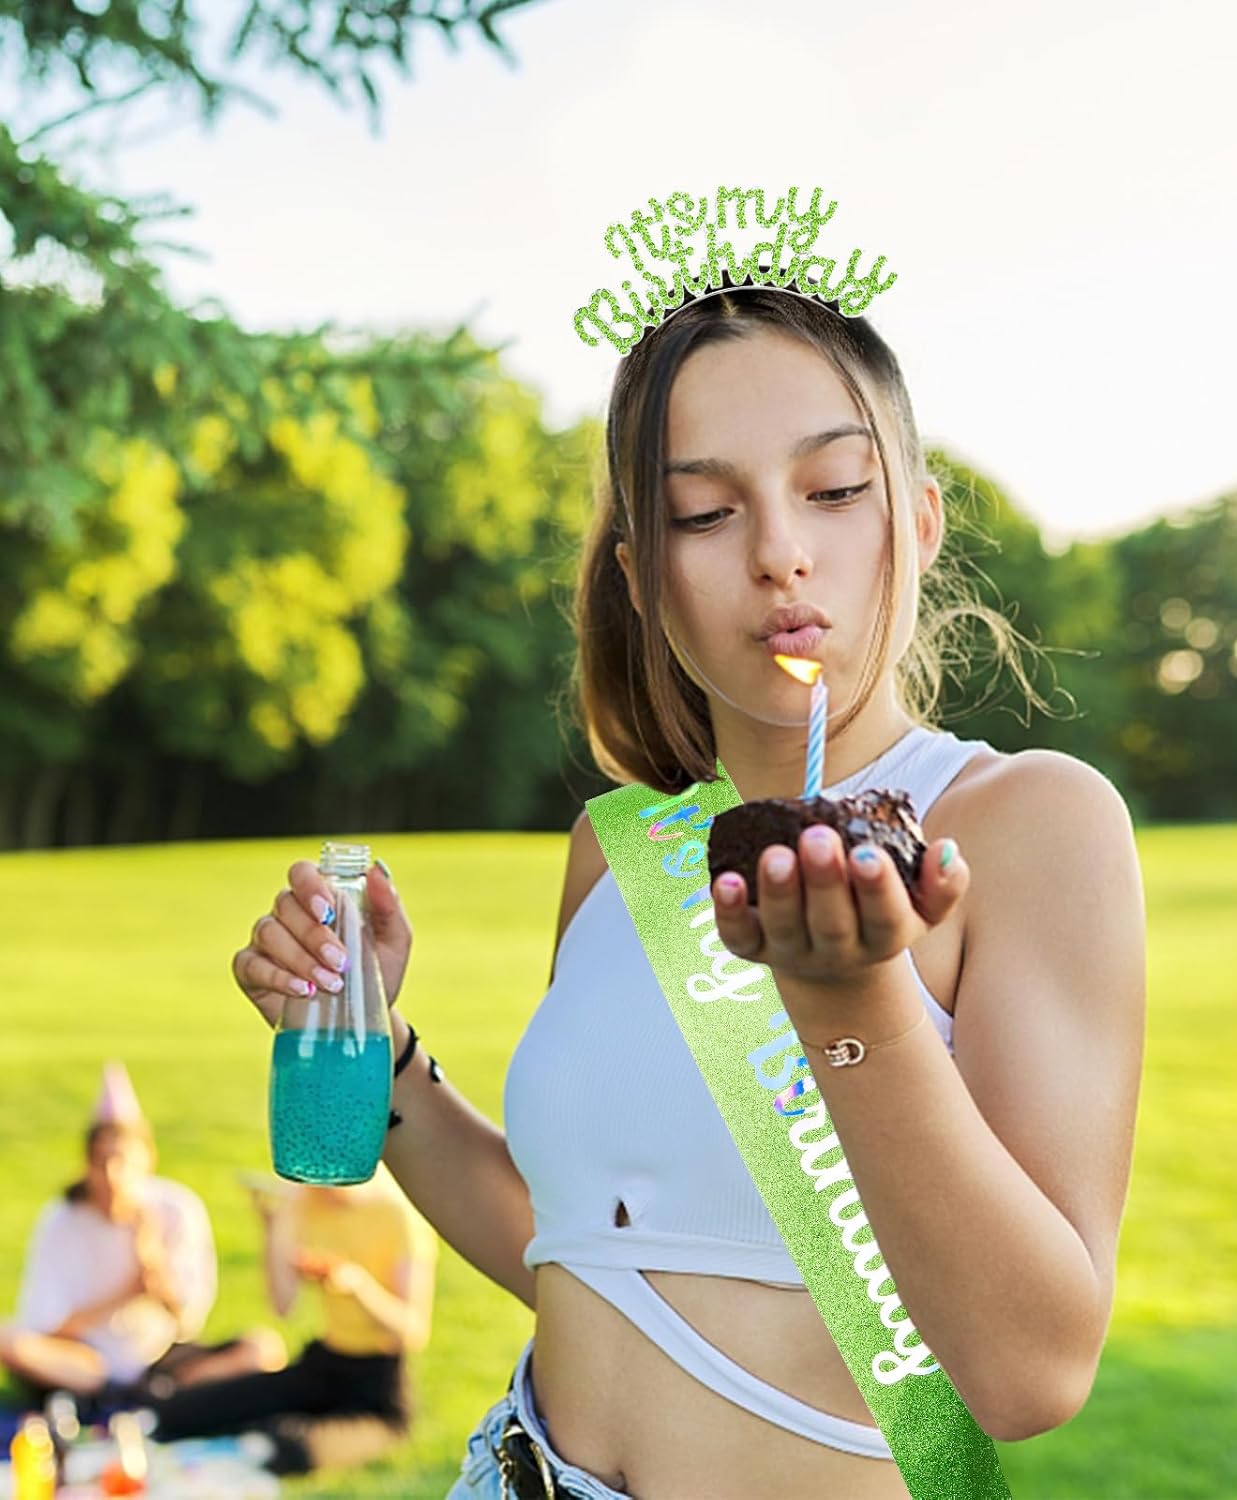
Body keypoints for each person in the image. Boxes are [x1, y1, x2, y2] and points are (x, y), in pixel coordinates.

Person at [228, 275, 1147, 1498]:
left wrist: (850, 1006)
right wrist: (371, 1044)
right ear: (641, 575)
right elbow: (574, 1249)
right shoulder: (619, 851)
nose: (781, 553)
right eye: (705, 514)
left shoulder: (1025, 822)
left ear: (918, 523)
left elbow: (1031, 1374)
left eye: (832, 492)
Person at [1, 1063, 285, 1413]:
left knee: (263, 1350)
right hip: (86, 1360)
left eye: (121, 1160)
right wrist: (125, 1294)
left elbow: (187, 1320)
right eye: (101, 1162)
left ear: (147, 1160)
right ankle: (146, 1400)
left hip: (160, 1357)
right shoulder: (62, 1219)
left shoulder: (176, 1209)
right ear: (86, 1165)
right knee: (8, 1340)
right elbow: (46, 1327)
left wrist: (152, 1262)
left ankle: (157, 1394)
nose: (111, 1176)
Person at [146, 1164, 436, 1476]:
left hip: (376, 1389)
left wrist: (358, 1288)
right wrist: (275, 1230)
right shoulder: (307, 1202)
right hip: (323, 1364)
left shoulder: (397, 1217)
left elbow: (413, 1331)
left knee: (289, 1448)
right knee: (179, 1413)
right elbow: (283, 1305)